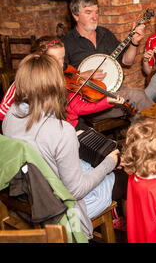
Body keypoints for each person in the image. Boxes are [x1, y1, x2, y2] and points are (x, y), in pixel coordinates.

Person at [2, 53, 126, 240]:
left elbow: (36, 142)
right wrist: (110, 162)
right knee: (124, 173)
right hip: (60, 208)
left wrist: (70, 141)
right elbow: (76, 191)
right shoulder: (62, 131)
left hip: (27, 194)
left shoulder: (11, 115)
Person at [62, 0, 153, 123]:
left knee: (139, 107)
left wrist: (134, 42)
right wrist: (82, 76)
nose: (94, 17)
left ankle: (143, 140)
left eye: (96, 12)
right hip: (90, 102)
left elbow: (127, 61)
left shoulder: (105, 34)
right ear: (75, 15)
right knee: (137, 96)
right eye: (88, 13)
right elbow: (57, 80)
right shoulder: (66, 43)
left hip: (116, 92)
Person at [0, 39, 125, 130]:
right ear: (42, 59)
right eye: (57, 59)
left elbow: (77, 107)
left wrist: (106, 100)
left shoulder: (64, 78)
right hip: (42, 132)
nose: (62, 64)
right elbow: (4, 110)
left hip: (69, 126)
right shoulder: (24, 81)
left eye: (63, 58)